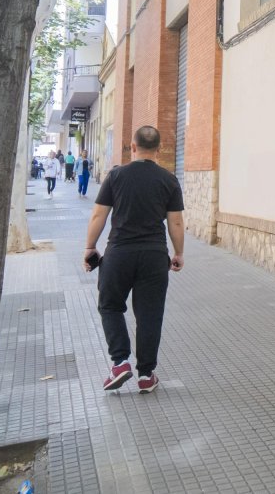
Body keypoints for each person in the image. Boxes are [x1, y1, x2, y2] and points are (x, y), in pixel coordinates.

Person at [84, 126, 184, 394]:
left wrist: (89, 247)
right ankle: (146, 375)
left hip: (119, 254)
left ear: (132, 146)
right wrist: (178, 253)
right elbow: (175, 221)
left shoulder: (116, 176)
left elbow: (98, 216)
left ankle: (120, 362)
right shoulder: (169, 180)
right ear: (159, 149)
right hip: (154, 256)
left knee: (110, 306)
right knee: (150, 315)